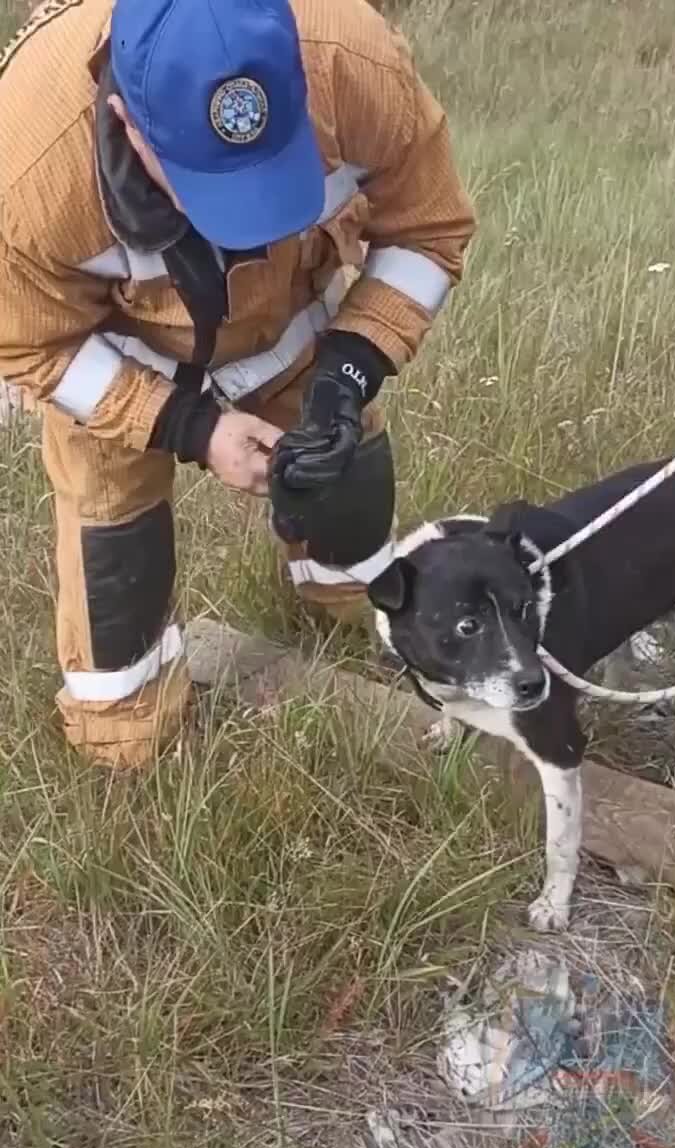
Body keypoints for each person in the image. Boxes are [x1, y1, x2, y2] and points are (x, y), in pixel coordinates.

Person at [0, 0, 475, 769]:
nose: (247, 224)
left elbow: (429, 229)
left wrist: (346, 377)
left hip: (297, 333)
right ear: (126, 122)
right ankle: (130, 736)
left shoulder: (352, 62)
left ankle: (348, 611)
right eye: (210, 185)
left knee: (347, 486)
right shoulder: (24, 165)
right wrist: (191, 428)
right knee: (116, 556)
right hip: (121, 368)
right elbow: (36, 346)